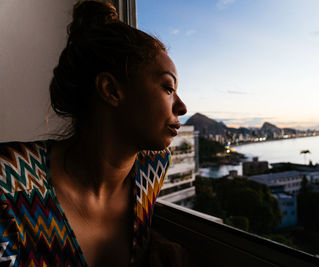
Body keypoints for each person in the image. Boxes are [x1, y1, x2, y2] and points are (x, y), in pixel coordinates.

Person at [0, 1, 187, 266]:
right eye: (168, 88)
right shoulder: (9, 181)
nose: (182, 106)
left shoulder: (151, 168)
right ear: (111, 90)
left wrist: (156, 244)